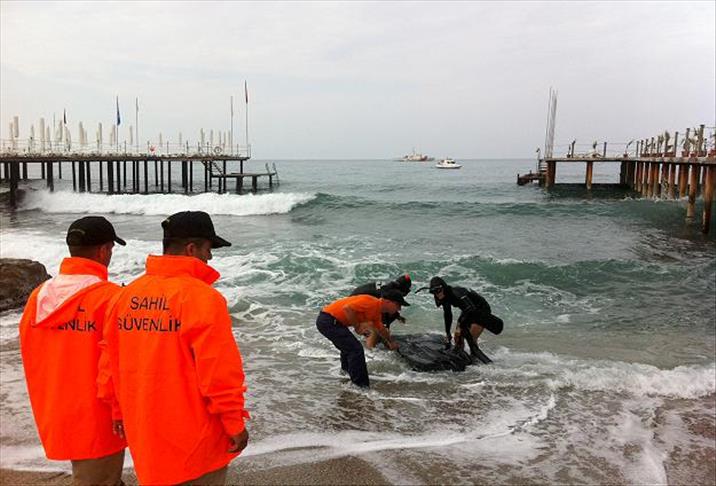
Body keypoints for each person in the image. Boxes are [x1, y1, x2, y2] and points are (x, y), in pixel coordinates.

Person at [98, 211, 249, 485]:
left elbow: (110, 364)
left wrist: (118, 411)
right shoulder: (203, 298)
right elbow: (218, 373)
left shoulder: (126, 296)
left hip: (144, 431)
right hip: (194, 438)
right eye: (208, 249)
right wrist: (234, 423)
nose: (210, 258)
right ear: (191, 249)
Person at [19, 216, 127, 486]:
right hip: (99, 415)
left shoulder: (39, 296)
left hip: (55, 407)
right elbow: (115, 361)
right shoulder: (110, 297)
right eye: (111, 249)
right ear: (103, 251)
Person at [316, 289, 409, 387]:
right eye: (398, 305)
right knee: (356, 350)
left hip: (331, 321)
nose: (399, 309)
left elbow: (381, 328)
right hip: (328, 321)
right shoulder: (371, 302)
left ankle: (346, 374)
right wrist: (357, 326)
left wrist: (391, 342)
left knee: (348, 349)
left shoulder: (376, 310)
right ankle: (361, 385)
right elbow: (347, 308)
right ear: (388, 302)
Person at [426, 276, 503, 363]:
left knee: (471, 338)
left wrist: (461, 325)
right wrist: (448, 333)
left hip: (480, 310)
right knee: (457, 337)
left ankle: (478, 360)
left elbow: (471, 310)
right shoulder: (444, 296)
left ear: (444, 287)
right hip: (467, 310)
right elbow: (448, 314)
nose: (437, 294)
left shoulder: (457, 293)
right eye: (434, 292)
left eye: (438, 290)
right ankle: (462, 356)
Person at [350, 273, 412, 348]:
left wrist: (397, 316)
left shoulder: (388, 286)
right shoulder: (388, 292)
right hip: (354, 308)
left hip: (354, 303)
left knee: (383, 321)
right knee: (376, 329)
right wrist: (387, 336)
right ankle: (370, 351)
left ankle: (372, 340)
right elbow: (385, 310)